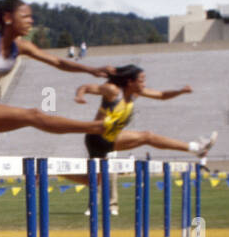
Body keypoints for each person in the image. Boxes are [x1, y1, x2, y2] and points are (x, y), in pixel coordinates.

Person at [0, 0, 115, 157]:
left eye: (31, 17)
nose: (31, 21)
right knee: (33, 115)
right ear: (8, 18)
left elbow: (57, 62)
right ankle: (94, 127)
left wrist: (91, 70)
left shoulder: (21, 47)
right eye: (25, 16)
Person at [73, 65, 215, 166]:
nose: (144, 83)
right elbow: (85, 87)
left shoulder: (137, 92)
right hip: (96, 137)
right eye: (141, 80)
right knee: (147, 136)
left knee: (94, 179)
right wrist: (80, 96)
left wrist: (180, 91)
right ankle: (196, 148)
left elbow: (161, 95)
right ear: (130, 82)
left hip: (110, 137)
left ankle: (91, 208)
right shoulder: (112, 90)